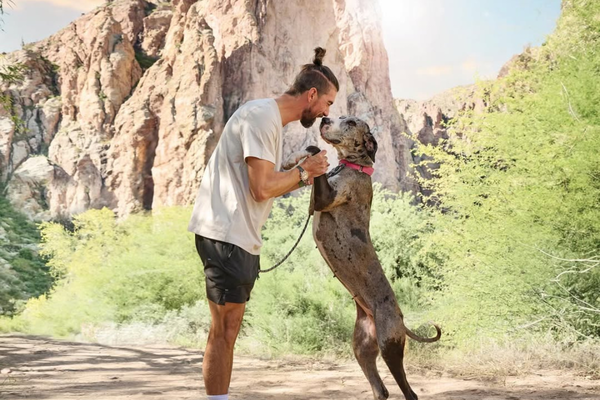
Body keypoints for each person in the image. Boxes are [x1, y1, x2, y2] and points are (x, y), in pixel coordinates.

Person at [188, 47, 339, 400]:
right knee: (224, 330)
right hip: (227, 235)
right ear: (311, 94)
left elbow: (265, 179)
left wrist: (295, 167)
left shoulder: (267, 118)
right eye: (328, 103)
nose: (326, 112)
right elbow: (262, 189)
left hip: (236, 237)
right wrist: (305, 174)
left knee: (228, 328)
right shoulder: (261, 117)